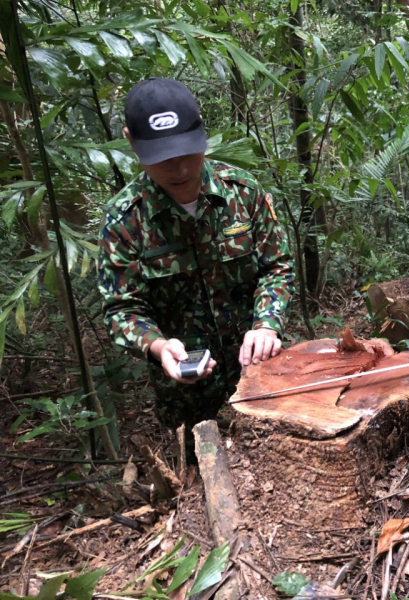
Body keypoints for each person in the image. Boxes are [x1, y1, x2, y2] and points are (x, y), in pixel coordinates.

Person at [97, 78, 295, 449]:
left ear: (201, 129)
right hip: (186, 399)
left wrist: (267, 324)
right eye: (161, 157)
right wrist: (157, 346)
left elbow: (277, 267)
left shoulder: (243, 192)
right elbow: (121, 309)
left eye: (187, 151)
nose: (179, 169)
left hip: (263, 376)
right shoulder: (125, 220)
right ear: (131, 141)